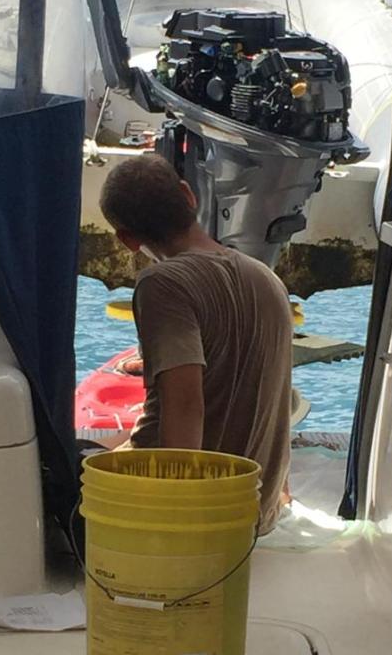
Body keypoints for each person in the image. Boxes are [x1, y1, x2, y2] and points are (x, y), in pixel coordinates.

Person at [99, 154, 293, 535]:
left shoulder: (163, 283)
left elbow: (185, 405)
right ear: (189, 196)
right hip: (256, 507)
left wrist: (180, 520)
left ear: (127, 240)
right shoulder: (267, 278)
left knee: (63, 462)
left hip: (197, 506)